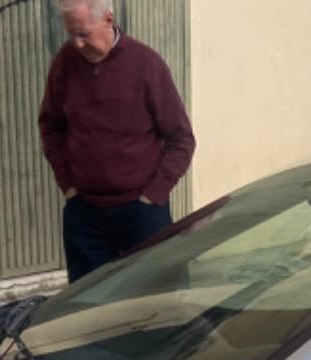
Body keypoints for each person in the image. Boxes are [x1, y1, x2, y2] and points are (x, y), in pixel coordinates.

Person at [38, 2, 196, 282]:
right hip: (85, 214)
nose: (76, 43)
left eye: (84, 33)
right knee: (88, 307)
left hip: (142, 212)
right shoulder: (64, 63)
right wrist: (69, 186)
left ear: (108, 19)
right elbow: (51, 127)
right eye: (71, 34)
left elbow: (181, 138)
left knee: (155, 297)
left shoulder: (146, 64)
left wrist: (154, 194)